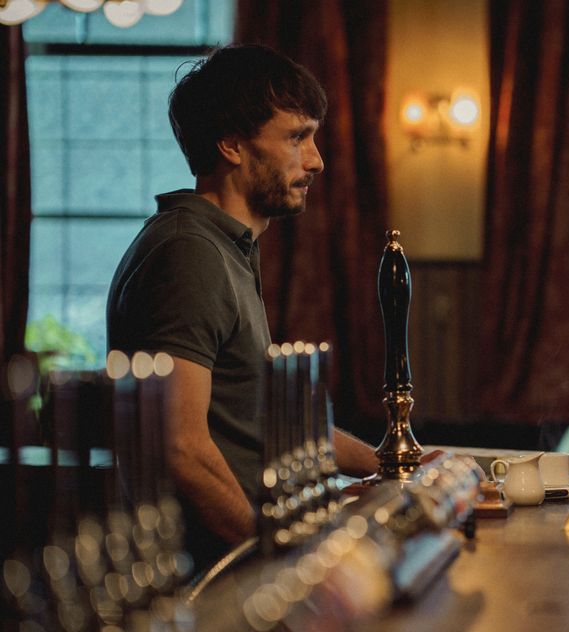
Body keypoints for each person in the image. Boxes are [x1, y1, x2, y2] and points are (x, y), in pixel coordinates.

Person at [107, 45, 379, 573]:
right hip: (212, 578)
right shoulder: (190, 253)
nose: (316, 160)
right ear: (232, 145)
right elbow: (179, 445)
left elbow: (252, 416)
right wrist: (276, 555)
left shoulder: (225, 247)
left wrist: (392, 463)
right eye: (296, 137)